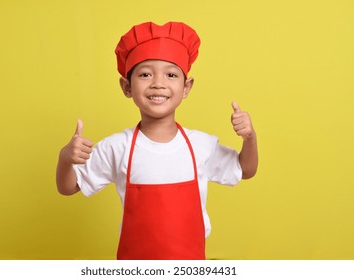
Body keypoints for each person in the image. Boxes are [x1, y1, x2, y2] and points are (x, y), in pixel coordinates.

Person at [56, 21, 258, 260]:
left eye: (171, 74)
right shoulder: (116, 147)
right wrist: (65, 158)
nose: (158, 83)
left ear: (186, 87)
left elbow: (245, 170)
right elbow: (68, 187)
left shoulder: (200, 145)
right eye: (145, 74)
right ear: (127, 86)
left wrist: (250, 138)